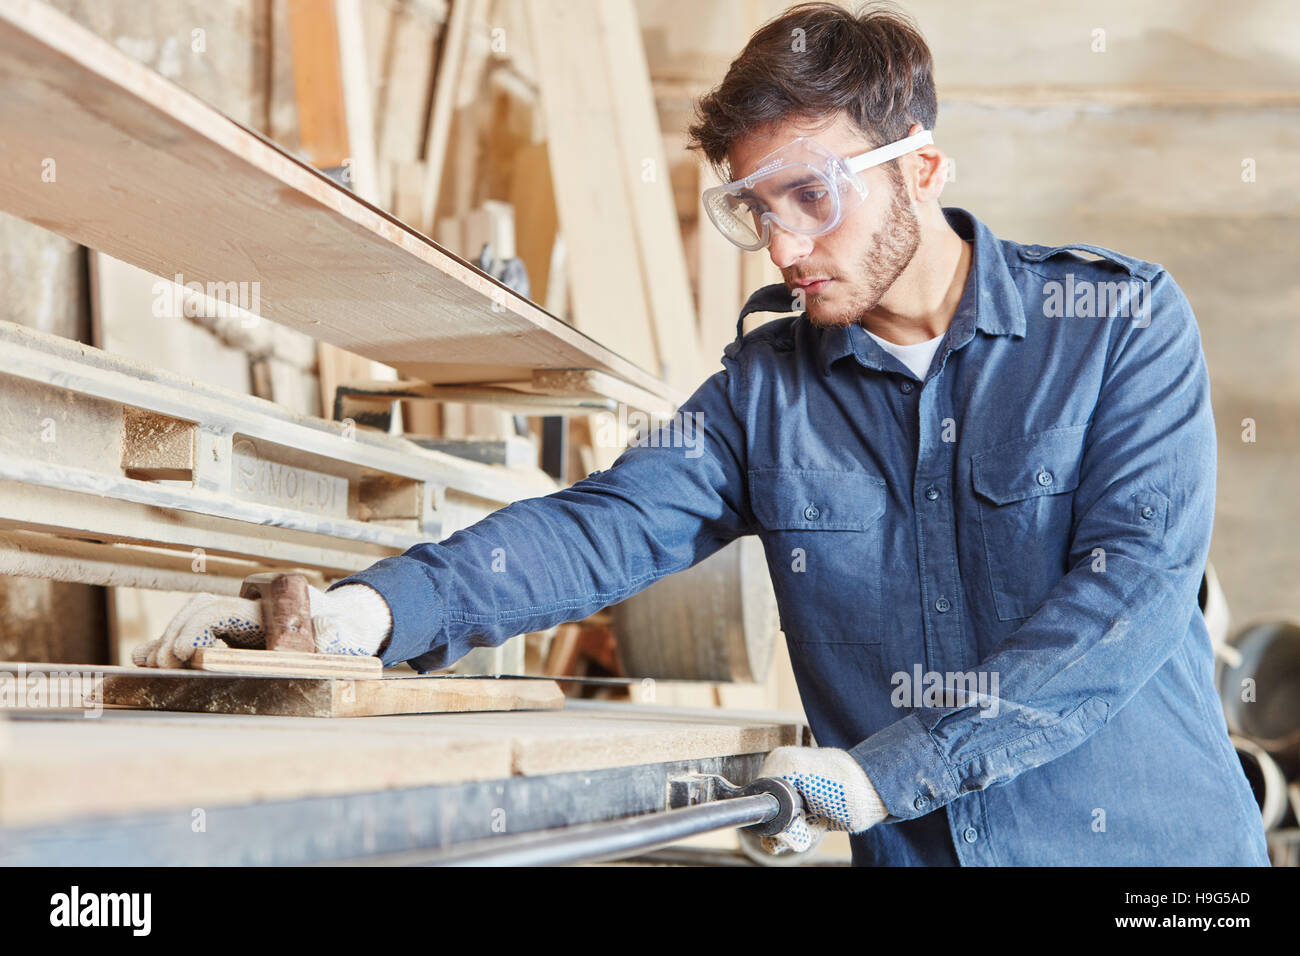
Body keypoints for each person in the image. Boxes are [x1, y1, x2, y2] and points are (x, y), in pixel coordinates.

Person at [139, 2, 1269, 866]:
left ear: (918, 168)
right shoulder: (765, 389)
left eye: (809, 197)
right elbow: (603, 528)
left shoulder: (1117, 321)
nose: (783, 247)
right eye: (752, 211)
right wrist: (371, 612)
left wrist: (888, 774)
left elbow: (1126, 602)